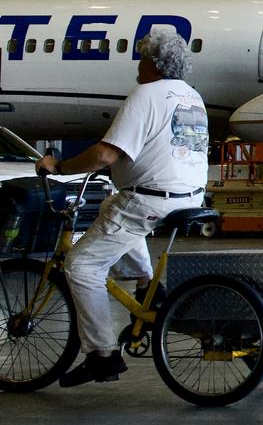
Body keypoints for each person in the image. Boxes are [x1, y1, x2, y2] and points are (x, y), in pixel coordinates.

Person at [35, 29, 210, 387]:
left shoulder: (145, 95)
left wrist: (60, 167)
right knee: (114, 208)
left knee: (81, 265)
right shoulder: (192, 96)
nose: (137, 67)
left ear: (153, 64)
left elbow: (105, 154)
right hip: (188, 197)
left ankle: (103, 355)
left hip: (149, 199)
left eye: (142, 58)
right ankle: (148, 287)